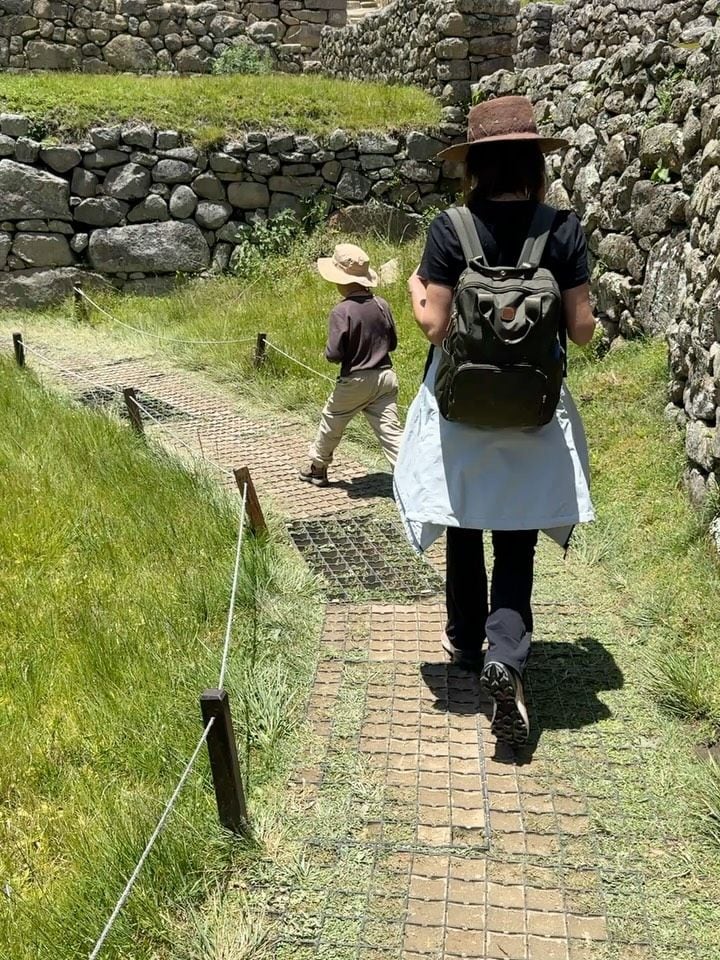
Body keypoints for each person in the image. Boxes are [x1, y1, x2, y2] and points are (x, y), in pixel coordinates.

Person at [395, 95, 597, 747]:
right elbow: (583, 331)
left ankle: (461, 641)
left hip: (461, 406)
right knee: (516, 536)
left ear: (474, 165)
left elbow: (432, 325)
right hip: (534, 410)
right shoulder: (561, 229)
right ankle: (503, 655)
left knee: (464, 520)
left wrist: (416, 293)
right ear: (535, 162)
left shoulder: (450, 227)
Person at [299, 243, 403, 487]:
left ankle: (318, 468)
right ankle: (409, 478)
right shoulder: (382, 304)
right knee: (391, 432)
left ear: (342, 281)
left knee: (331, 421)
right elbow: (393, 343)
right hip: (385, 377)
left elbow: (334, 354)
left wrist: (330, 351)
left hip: (356, 379)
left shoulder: (341, 310)